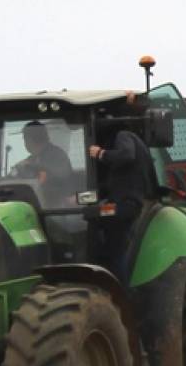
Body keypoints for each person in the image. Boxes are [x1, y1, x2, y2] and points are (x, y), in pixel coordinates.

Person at [87, 111, 157, 283]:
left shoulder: (123, 135)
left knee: (96, 213)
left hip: (124, 206)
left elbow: (127, 154)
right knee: (111, 240)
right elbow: (116, 182)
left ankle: (119, 286)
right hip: (127, 203)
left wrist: (101, 153)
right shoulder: (136, 143)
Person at [16, 121, 73, 205]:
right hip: (35, 203)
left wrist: (35, 167)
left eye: (25, 138)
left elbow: (61, 175)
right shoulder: (31, 159)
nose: (25, 143)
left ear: (31, 139)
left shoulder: (57, 155)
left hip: (57, 206)